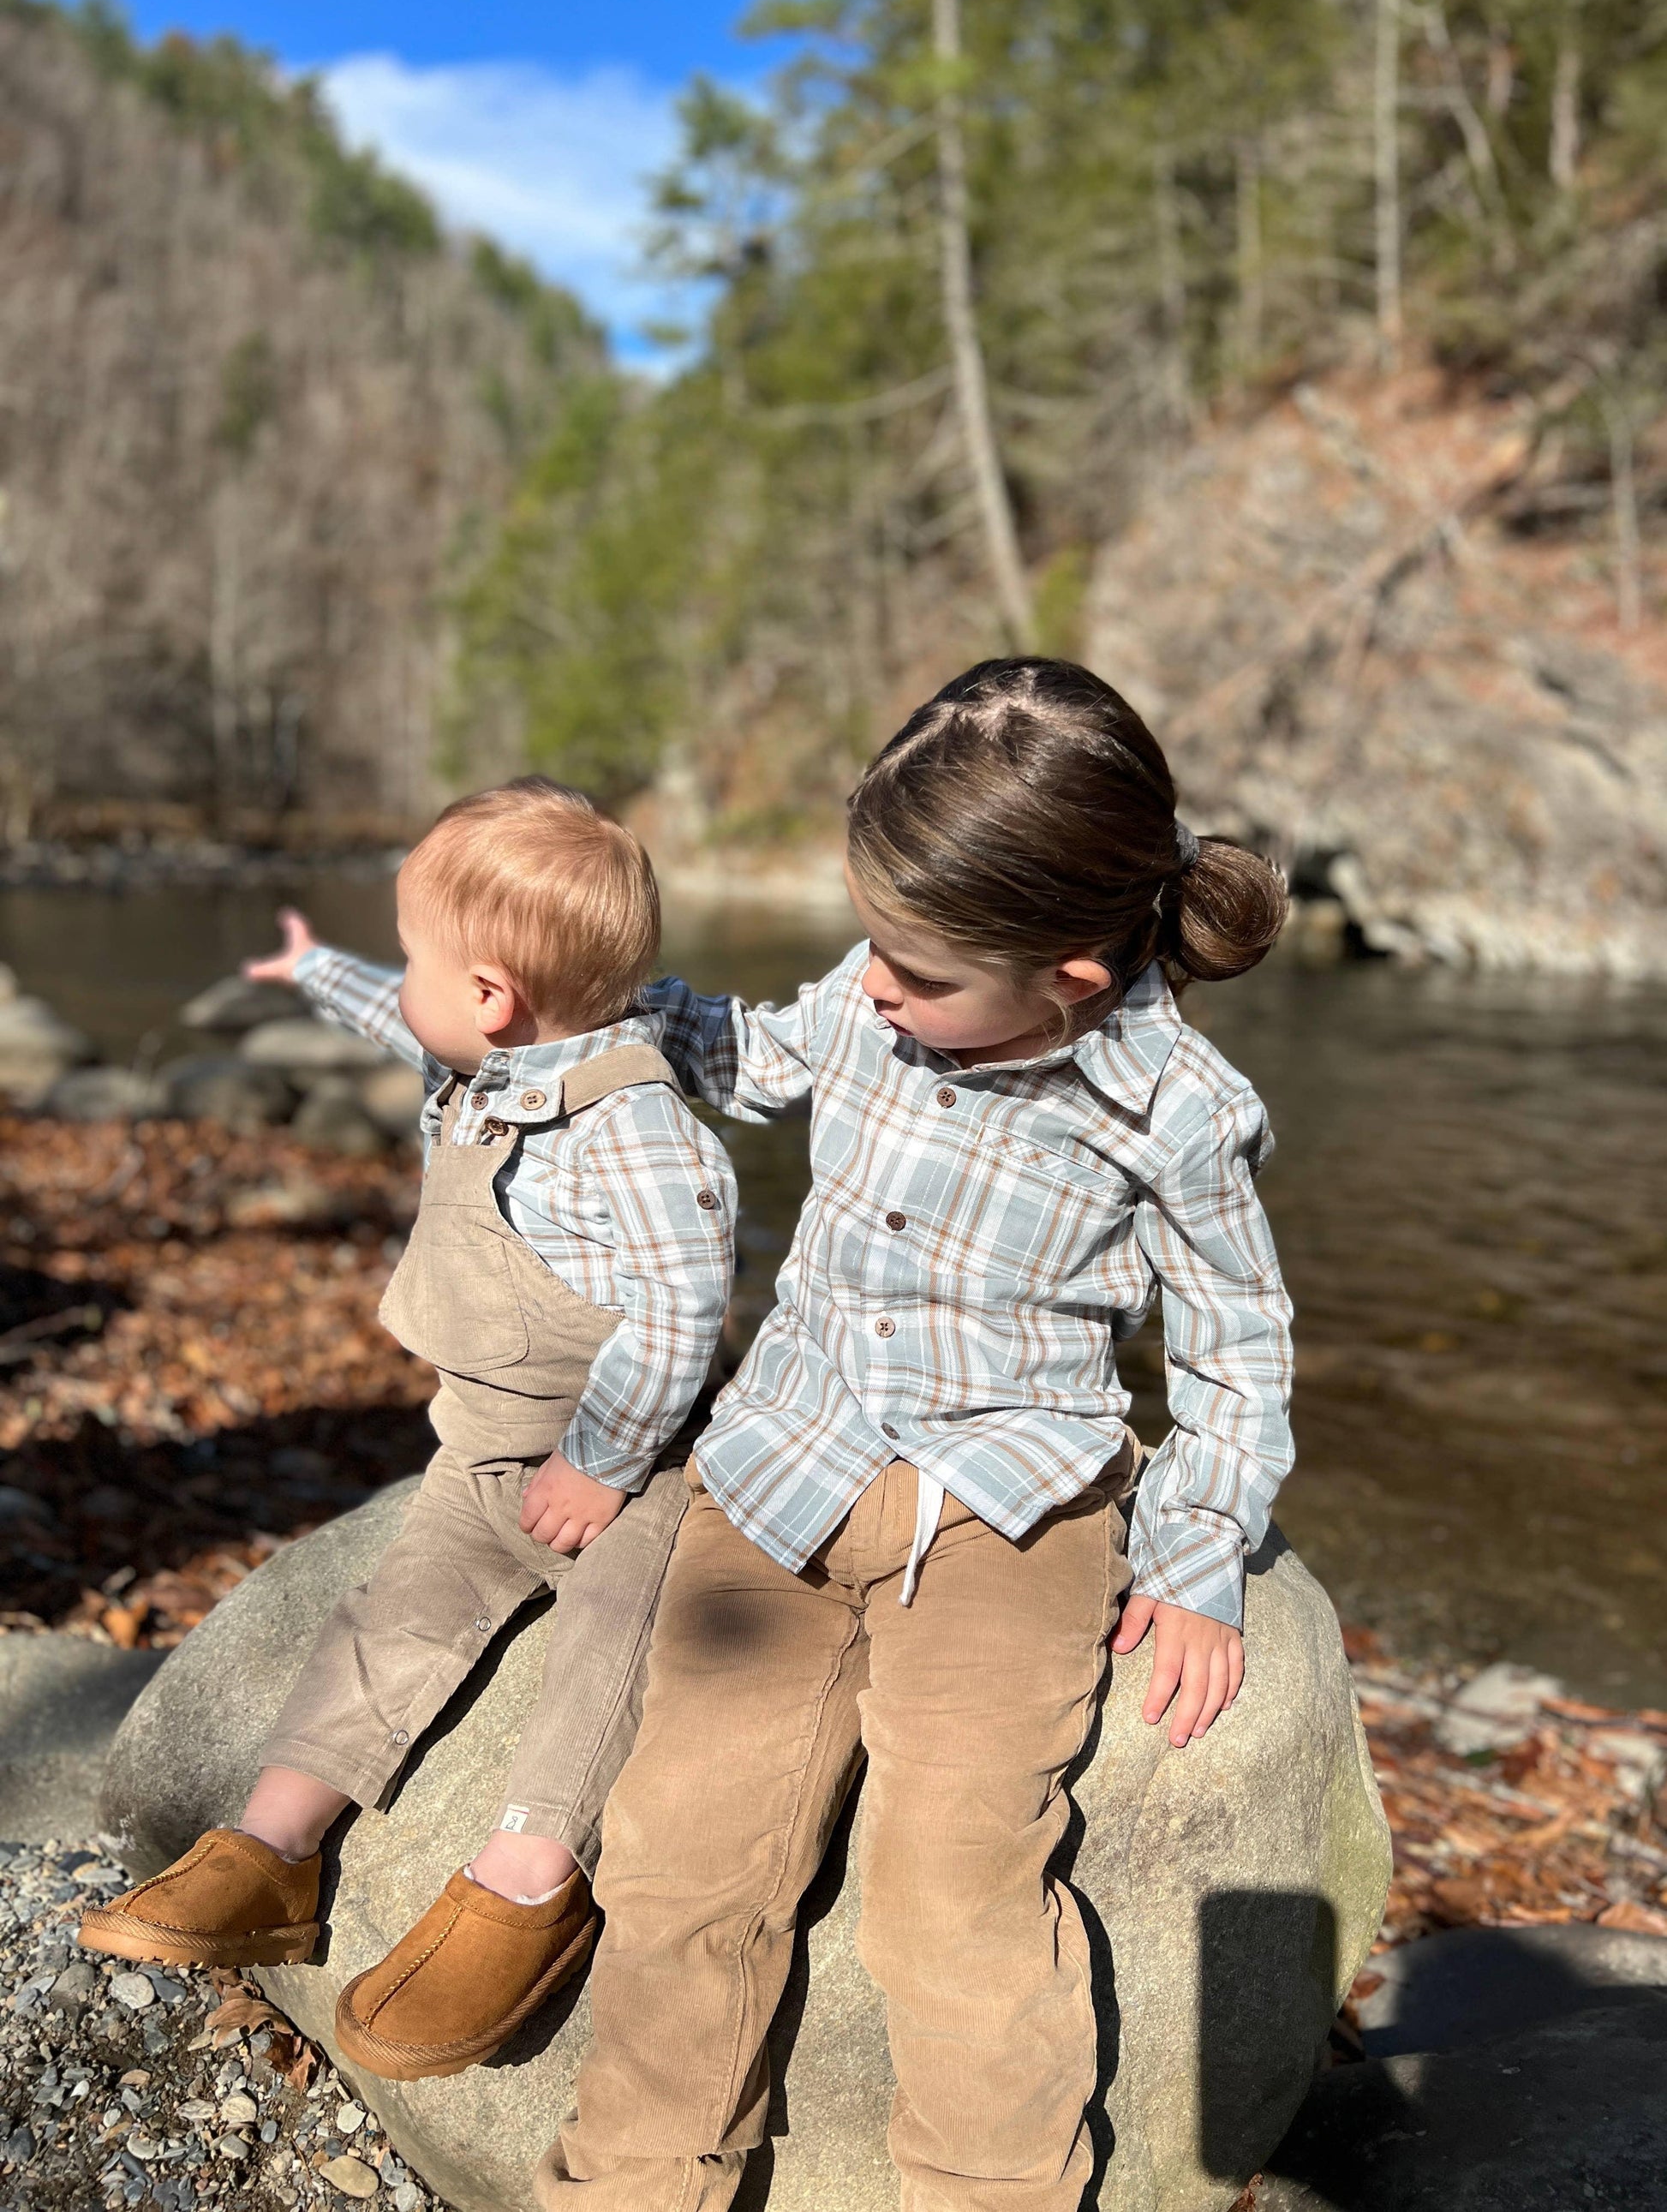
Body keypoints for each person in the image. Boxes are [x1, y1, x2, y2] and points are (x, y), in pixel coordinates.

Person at [536, 659, 1296, 2211]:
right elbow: (761, 1057)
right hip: (779, 1472)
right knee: (679, 1861)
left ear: (1072, 973)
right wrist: (598, 1010)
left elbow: (1235, 1341)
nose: (875, 988)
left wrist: (1203, 1551)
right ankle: (627, 2186)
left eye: (916, 971)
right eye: (872, 947)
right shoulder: (878, 988)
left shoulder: (1176, 1113)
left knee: (955, 1895)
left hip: (1006, 1513)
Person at [80, 778, 736, 2083]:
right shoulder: (484, 1058)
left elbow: (685, 1308)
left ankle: (524, 1877)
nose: (408, 987)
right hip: (485, 1442)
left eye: (421, 956)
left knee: (612, 1643)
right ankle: (272, 1849)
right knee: (392, 1615)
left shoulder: (637, 1129)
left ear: (493, 997)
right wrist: (315, 970)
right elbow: (403, 1013)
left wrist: (602, 1463)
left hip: (638, 1460)